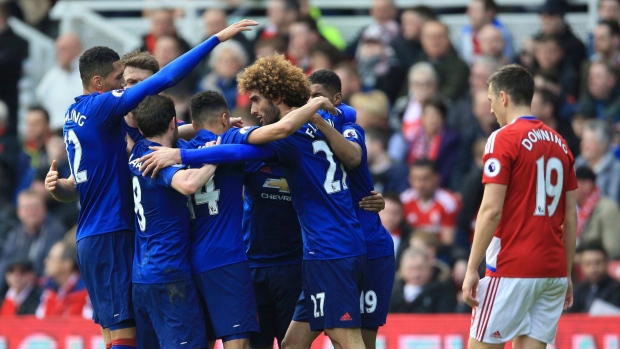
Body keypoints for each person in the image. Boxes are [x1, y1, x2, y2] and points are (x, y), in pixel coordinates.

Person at [44, 19, 258, 349]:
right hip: (116, 235)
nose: (127, 90)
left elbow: (85, 178)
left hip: (105, 238)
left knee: (120, 332)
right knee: (122, 336)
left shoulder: (84, 118)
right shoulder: (104, 108)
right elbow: (168, 79)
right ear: (99, 84)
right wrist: (216, 38)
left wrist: (205, 131)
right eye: (121, 82)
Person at [138, 54, 365, 349]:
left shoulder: (285, 135)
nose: (253, 109)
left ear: (277, 95)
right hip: (322, 249)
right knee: (292, 344)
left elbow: (236, 153)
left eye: (257, 100)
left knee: (344, 337)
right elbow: (351, 134)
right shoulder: (327, 120)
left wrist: (181, 155)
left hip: (332, 249)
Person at [462, 64, 578, 348]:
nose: (491, 110)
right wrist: (567, 272)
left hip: (512, 267)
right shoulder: (560, 143)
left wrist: (470, 268)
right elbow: (571, 215)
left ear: (503, 97)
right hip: (552, 271)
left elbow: (491, 210)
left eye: (491, 101)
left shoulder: (503, 138)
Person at [301, 69, 395, 349]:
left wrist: (321, 115)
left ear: (336, 99)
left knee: (361, 340)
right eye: (308, 98)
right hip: (329, 252)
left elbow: (353, 157)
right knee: (294, 341)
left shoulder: (349, 129)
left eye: (317, 97)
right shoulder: (303, 137)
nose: (312, 102)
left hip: (369, 248)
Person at [130, 95, 217, 349]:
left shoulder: (137, 150)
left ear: (142, 129)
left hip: (142, 277)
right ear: (172, 123)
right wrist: (215, 158)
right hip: (169, 273)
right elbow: (188, 184)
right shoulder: (157, 159)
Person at [0, 190, 65, 291]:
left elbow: (52, 269)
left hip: (44, 290)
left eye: (35, 207)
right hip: (16, 289)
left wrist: (28, 278)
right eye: (27, 208)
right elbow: (5, 264)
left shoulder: (55, 231)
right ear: (19, 212)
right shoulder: (15, 234)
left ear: (44, 209)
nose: (31, 212)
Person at [400, 159, 460, 245]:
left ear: (436, 178)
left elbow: (448, 242)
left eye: (425, 179)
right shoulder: (403, 200)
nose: (420, 184)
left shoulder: (448, 203)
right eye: (415, 178)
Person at [35, 33, 84, 131]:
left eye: (64, 49)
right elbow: (40, 96)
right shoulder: (52, 75)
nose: (59, 54)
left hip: (80, 130)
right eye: (58, 50)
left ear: (77, 49)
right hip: (54, 131)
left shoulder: (89, 74)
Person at [389, 248, 456, 314]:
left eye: (420, 268)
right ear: (402, 270)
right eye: (411, 269)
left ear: (430, 269)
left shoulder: (442, 290)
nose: (415, 274)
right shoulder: (392, 291)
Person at [574, 166, 620, 259]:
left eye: (571, 184)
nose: (567, 190)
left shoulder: (607, 209)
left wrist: (579, 258)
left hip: (601, 268)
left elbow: (614, 250)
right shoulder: (573, 209)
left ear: (587, 185)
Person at [36, 241, 89, 318]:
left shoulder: (87, 291)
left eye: (51, 258)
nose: (46, 261)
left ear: (67, 264)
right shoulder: (47, 290)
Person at [575, 119, 620, 205]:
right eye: (583, 140)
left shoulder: (616, 170)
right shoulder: (578, 164)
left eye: (590, 141)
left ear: (603, 144)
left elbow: (613, 202)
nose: (585, 145)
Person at [568, 243, 620, 313]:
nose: (593, 269)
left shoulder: (617, 290)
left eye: (598, 263)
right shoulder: (579, 290)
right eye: (588, 264)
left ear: (606, 262)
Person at [459, 0, 513, 65]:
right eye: (469, 10)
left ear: (490, 13)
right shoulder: (465, 32)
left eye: (475, 11)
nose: (469, 14)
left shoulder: (502, 33)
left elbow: (508, 61)